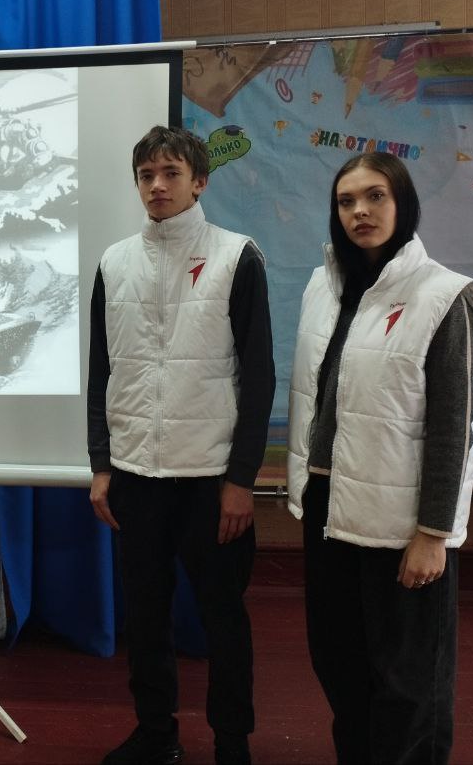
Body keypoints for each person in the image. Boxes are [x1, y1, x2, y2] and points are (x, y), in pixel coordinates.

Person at [287, 152, 473, 765]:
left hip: (402, 518)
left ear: (403, 203)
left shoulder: (444, 297)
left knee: (408, 681)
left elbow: (454, 427)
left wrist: (433, 534)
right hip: (328, 504)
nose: (360, 211)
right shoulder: (324, 287)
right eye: (346, 201)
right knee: (340, 664)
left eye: (375, 196)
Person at [88, 126, 275, 765]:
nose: (157, 186)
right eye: (147, 175)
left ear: (199, 182)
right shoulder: (114, 263)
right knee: (145, 616)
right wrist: (101, 464)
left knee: (223, 618)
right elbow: (102, 371)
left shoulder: (236, 256)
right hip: (136, 473)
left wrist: (241, 479)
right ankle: (156, 735)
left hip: (211, 477)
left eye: (171, 174)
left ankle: (232, 744)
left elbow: (259, 375)